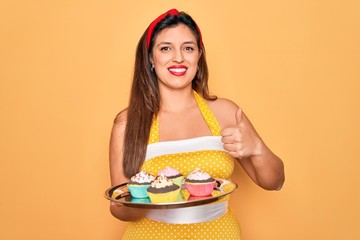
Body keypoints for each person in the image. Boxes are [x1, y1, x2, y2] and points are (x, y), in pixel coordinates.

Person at [109, 8, 285, 239]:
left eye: (188, 48)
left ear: (199, 56)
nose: (179, 57)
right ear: (150, 58)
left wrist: (257, 148)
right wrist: (147, 196)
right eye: (165, 48)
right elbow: (118, 207)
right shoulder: (127, 123)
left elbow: (275, 182)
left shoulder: (226, 113)